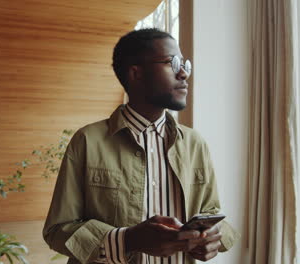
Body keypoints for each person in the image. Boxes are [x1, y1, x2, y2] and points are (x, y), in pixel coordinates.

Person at [43, 28, 239, 264]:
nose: (184, 73)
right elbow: (58, 230)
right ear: (136, 73)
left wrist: (212, 238)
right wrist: (128, 240)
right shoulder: (87, 141)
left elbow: (212, 214)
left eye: (184, 63)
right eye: (172, 62)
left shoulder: (194, 143)